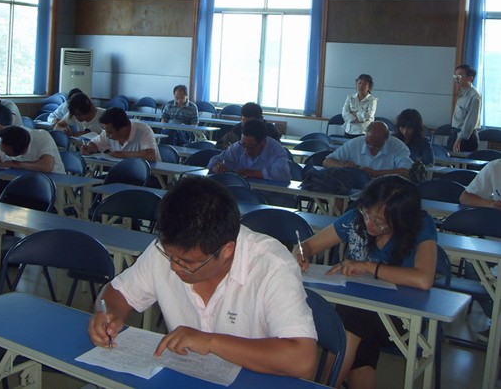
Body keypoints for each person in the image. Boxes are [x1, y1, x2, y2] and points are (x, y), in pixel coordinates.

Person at [88, 177, 317, 377]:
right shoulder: (168, 250)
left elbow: (303, 360)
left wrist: (211, 342)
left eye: (187, 263)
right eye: (170, 256)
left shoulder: (272, 266)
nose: (174, 267)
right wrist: (108, 314)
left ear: (226, 250)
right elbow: (118, 292)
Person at [293, 175, 437, 389]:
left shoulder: (421, 225)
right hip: (358, 313)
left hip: (401, 318)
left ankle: (324, 385)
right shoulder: (356, 218)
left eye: (379, 222)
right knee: (358, 347)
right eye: (366, 213)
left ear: (400, 220)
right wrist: (300, 253)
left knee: (352, 317)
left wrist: (368, 267)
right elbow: (308, 246)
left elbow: (423, 279)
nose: (369, 223)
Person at [206, 119, 291, 181]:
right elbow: (214, 161)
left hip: (271, 194)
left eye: (251, 147)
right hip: (243, 192)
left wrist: (253, 173)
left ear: (263, 142)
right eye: (244, 145)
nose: (246, 150)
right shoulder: (238, 146)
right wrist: (216, 166)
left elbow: (283, 173)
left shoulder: (276, 149)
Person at [323, 121, 413, 179]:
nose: (372, 147)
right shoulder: (355, 143)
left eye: (376, 145)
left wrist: (375, 173)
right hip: (356, 186)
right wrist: (344, 166)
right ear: (365, 135)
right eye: (369, 143)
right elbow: (327, 161)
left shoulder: (398, 146)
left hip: (386, 189)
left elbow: (407, 172)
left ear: (386, 139)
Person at [80, 107, 161, 161]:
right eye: (106, 131)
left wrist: (122, 154)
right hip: (124, 174)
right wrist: (89, 148)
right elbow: (94, 143)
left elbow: (151, 155)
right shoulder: (109, 132)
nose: (107, 135)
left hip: (151, 176)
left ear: (123, 129)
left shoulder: (143, 130)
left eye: (110, 132)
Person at [0, 125, 65, 174]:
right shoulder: (7, 136)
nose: (3, 153)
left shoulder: (42, 137)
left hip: (53, 179)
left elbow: (47, 166)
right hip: (21, 177)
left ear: (22, 152)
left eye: (7, 153)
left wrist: (17, 164)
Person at [215, 102, 282, 150]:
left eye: (252, 123)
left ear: (260, 119)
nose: (248, 127)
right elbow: (220, 145)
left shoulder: (270, 130)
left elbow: (277, 151)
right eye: (245, 123)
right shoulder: (238, 128)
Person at [449, 64, 482, 152]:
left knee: (460, 160)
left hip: (466, 138)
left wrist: (459, 139)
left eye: (459, 76)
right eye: (455, 76)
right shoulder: (462, 92)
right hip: (455, 133)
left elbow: (470, 121)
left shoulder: (475, 96)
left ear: (470, 78)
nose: (456, 78)